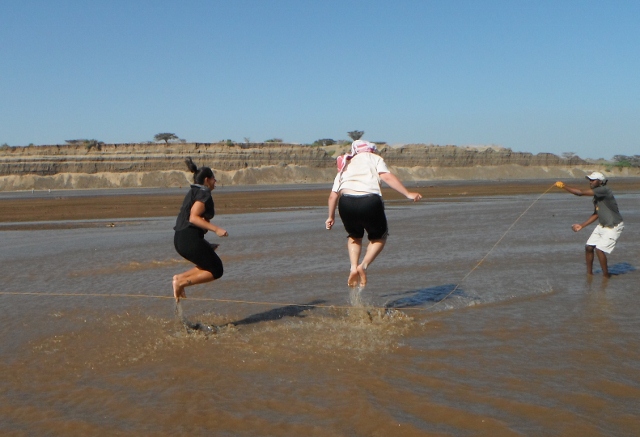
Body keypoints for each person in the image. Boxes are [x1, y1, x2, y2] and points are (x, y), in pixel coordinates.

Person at [325, 140, 422, 288]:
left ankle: (353, 267)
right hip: (369, 201)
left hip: (346, 203)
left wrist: (330, 217)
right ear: (371, 150)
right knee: (379, 237)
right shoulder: (375, 158)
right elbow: (387, 177)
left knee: (354, 236)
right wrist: (408, 193)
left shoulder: (345, 164)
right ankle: (363, 266)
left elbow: (333, 196)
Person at [172, 158, 228, 301]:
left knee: (208, 265)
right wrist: (217, 229)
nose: (215, 181)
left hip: (180, 240)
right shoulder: (204, 193)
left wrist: (206, 245)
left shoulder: (194, 192)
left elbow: (190, 223)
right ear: (207, 180)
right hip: (188, 240)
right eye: (214, 179)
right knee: (217, 270)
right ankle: (181, 282)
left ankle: (179, 279)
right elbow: (193, 217)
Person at [555, 172, 624, 278]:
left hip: (613, 226)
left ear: (600, 182)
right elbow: (596, 214)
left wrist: (564, 186)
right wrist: (582, 225)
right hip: (602, 225)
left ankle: (606, 276)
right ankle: (589, 274)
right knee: (589, 247)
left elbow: (579, 193)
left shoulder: (604, 190)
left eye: (593, 180)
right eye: (590, 180)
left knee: (599, 249)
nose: (590, 182)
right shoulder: (596, 196)